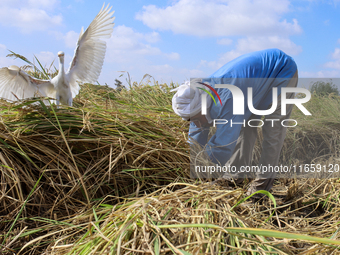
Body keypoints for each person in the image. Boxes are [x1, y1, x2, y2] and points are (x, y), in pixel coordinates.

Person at [171, 48, 298, 198]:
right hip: (251, 84)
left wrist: (203, 171)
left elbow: (223, 147)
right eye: (191, 121)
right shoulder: (196, 98)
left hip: (280, 71)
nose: (196, 124)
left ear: (204, 108)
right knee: (244, 128)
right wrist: (188, 162)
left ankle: (261, 188)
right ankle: (234, 177)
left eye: (197, 119)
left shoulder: (227, 101)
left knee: (273, 132)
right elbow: (195, 137)